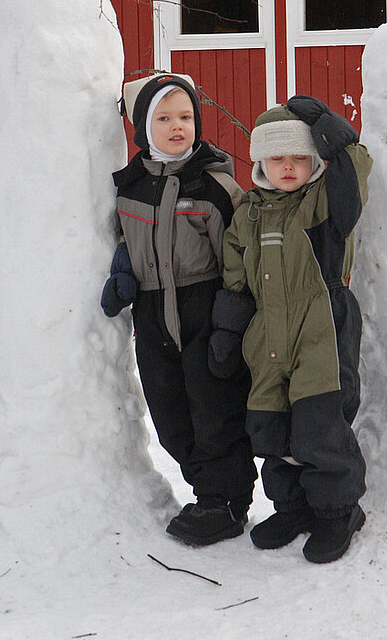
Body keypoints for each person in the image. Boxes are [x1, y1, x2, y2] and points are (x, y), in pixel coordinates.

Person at [209, 95, 372, 564]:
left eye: (298, 157)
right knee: (271, 425)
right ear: (261, 160)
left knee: (320, 424)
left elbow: (355, 168)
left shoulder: (325, 204)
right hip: (267, 336)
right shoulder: (250, 212)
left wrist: (328, 128)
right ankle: (294, 506)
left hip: (322, 327)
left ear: (313, 161)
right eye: (276, 158)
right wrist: (227, 330)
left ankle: (339, 510)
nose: (287, 167)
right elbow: (235, 275)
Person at [101, 73, 256, 546]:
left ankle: (226, 501)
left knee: (215, 409)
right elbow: (126, 235)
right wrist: (124, 272)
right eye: (164, 118)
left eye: (185, 117)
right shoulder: (129, 185)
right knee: (169, 411)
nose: (177, 127)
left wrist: (229, 322)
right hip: (151, 313)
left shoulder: (215, 186)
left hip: (203, 308)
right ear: (144, 128)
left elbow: (240, 259)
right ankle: (205, 490)